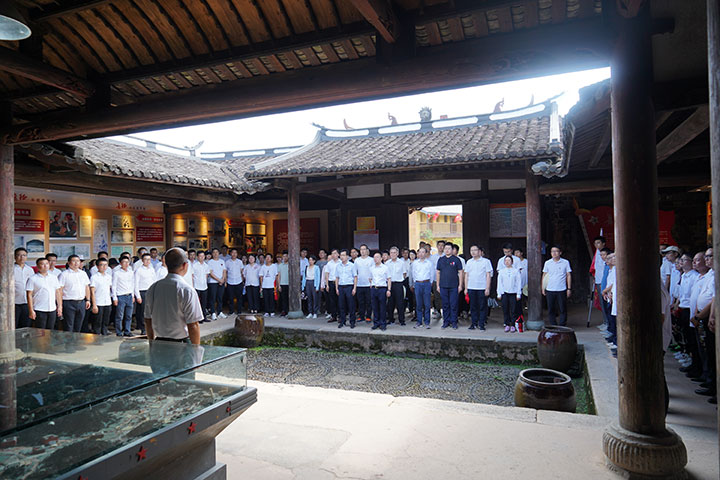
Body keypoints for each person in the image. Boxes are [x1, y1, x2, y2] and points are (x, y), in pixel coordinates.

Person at [144, 248, 203, 344]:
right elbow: (193, 325)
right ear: (185, 265)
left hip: (159, 342)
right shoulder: (187, 290)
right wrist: (196, 349)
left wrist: (151, 342)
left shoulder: (153, 288)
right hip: (181, 343)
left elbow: (147, 320)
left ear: (166, 264)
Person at [26, 257, 63, 330]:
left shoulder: (54, 277)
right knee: (40, 331)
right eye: (42, 264)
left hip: (52, 308)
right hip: (39, 309)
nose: (45, 266)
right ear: (37, 266)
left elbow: (58, 292)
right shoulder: (32, 278)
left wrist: (60, 306)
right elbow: (29, 295)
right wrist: (31, 310)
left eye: (47, 263)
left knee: (51, 329)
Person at [542, 246, 572, 326]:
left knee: (562, 308)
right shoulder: (547, 263)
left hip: (561, 289)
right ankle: (553, 325)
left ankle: (562, 325)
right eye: (552, 251)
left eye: (556, 251)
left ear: (560, 253)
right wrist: (543, 287)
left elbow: (568, 275)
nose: (554, 253)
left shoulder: (565, 262)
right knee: (551, 308)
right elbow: (544, 275)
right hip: (550, 288)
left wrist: (569, 288)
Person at [59, 254, 91, 332]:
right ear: (69, 263)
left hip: (81, 302)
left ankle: (77, 339)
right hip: (68, 303)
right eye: (74, 261)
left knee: (79, 326)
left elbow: (87, 287)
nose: (76, 263)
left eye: (78, 261)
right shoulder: (64, 274)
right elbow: (60, 290)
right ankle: (69, 340)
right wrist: (60, 305)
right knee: (69, 326)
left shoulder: (83, 273)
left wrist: (88, 300)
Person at [465, 245, 493, 331]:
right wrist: (466, 288)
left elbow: (488, 275)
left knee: (482, 306)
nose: (473, 252)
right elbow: (466, 275)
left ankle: (481, 324)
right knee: (473, 306)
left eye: (475, 250)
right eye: (471, 250)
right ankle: (474, 323)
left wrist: (487, 288)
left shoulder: (486, 261)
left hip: (482, 287)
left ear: (479, 251)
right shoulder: (469, 262)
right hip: (471, 287)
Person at [436, 243, 463, 329]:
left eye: (449, 248)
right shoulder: (441, 260)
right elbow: (438, 273)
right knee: (445, 305)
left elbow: (461, 273)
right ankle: (446, 322)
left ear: (452, 250)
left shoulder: (456, 260)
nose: (447, 250)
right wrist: (438, 285)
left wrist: (460, 285)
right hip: (443, 286)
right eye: (446, 248)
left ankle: (454, 322)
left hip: (454, 286)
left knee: (453, 304)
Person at [497, 255, 522, 332]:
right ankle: (507, 323)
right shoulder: (501, 271)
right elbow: (499, 283)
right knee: (505, 309)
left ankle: (513, 324)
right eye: (506, 260)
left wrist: (518, 293)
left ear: (512, 262)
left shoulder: (516, 271)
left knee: (513, 309)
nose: (507, 262)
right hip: (504, 292)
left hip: (513, 293)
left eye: (509, 260)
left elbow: (518, 283)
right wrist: (499, 293)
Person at [134, 253, 157, 335]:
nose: (147, 261)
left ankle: (151, 327)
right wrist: (138, 296)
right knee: (143, 311)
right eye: (146, 259)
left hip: (151, 291)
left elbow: (154, 281)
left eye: (149, 259)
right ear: (142, 260)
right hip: (142, 292)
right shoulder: (139, 270)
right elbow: (136, 284)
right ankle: (143, 328)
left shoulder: (152, 269)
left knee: (151, 311)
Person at [112, 256, 135, 336]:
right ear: (120, 263)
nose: (126, 264)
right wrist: (114, 297)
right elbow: (114, 286)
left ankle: (127, 331)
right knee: (119, 316)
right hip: (120, 296)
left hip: (129, 295)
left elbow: (132, 284)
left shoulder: (131, 272)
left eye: (127, 262)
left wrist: (133, 295)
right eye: (124, 262)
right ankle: (119, 331)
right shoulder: (117, 273)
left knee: (129, 315)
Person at [411, 246, 433, 329]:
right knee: (418, 304)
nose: (421, 254)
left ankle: (427, 322)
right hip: (418, 284)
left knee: (427, 304)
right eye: (419, 252)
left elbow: (432, 274)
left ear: (426, 253)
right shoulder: (415, 263)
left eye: (423, 252)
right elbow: (413, 273)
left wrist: (430, 283)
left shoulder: (429, 263)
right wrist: (415, 283)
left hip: (426, 283)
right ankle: (419, 322)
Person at [335, 249, 358, 329]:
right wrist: (336, 288)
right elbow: (337, 278)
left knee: (351, 305)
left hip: (349, 286)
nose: (342, 257)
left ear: (347, 256)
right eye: (341, 255)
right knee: (341, 305)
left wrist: (354, 288)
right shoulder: (338, 266)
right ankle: (342, 321)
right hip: (341, 287)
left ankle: (352, 322)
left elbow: (355, 277)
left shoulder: (352, 265)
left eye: (344, 255)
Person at [90, 258, 113, 335]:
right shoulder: (94, 277)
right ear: (97, 266)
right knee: (97, 322)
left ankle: (104, 335)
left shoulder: (108, 276)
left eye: (106, 265)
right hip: (98, 302)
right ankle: (97, 336)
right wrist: (94, 305)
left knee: (106, 321)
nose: (104, 267)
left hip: (107, 302)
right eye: (102, 265)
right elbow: (92, 292)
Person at [369, 251, 392, 331]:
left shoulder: (385, 268)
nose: (376, 259)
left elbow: (389, 279)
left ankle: (383, 323)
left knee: (382, 307)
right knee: (374, 307)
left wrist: (389, 289)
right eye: (374, 257)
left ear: (381, 258)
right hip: (374, 289)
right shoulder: (371, 268)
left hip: (382, 288)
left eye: (377, 257)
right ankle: (376, 323)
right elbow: (370, 278)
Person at [13, 248, 35, 328]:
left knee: (26, 326)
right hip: (14, 302)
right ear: (14, 257)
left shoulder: (30, 270)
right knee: (14, 325)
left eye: (24, 255)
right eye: (19, 255)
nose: (21, 257)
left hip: (27, 302)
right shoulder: (10, 269)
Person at [386, 246, 407, 325]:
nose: (393, 254)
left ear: (397, 254)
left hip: (398, 284)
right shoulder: (387, 263)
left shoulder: (401, 262)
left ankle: (402, 320)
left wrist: (400, 279)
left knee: (400, 303)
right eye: (391, 253)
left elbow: (404, 273)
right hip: (390, 284)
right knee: (390, 303)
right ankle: (391, 319)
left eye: (394, 253)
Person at [354, 244, 374, 323]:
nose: (362, 251)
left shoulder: (371, 260)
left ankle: (368, 316)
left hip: (368, 284)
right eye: (361, 249)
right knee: (360, 301)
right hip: (359, 284)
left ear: (367, 250)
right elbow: (355, 272)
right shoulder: (357, 260)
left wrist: (372, 282)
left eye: (364, 249)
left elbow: (373, 272)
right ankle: (361, 316)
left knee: (369, 301)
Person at [602, 253, 618, 349]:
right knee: (612, 319)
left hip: (613, 297)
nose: (609, 260)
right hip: (611, 296)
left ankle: (616, 341)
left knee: (615, 320)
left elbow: (613, 284)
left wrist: (605, 291)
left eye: (612, 257)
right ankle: (614, 339)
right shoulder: (611, 270)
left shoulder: (617, 270)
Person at [206, 248, 227, 320]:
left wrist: (223, 280)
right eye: (214, 252)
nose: (215, 254)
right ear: (212, 254)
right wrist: (219, 280)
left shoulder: (222, 261)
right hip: (213, 282)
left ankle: (220, 312)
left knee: (220, 298)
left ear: (219, 253)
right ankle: (213, 313)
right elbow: (211, 273)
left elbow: (224, 271)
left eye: (217, 252)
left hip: (221, 282)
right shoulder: (210, 262)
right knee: (212, 298)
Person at [192, 250, 210, 322]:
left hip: (204, 286)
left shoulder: (206, 265)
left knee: (204, 303)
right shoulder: (194, 265)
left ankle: (204, 317)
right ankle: (198, 318)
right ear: (197, 257)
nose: (202, 257)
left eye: (203, 256)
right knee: (197, 304)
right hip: (197, 286)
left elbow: (206, 275)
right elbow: (192, 276)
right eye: (200, 256)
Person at [324, 249, 340, 323]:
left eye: (335, 253)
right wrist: (327, 285)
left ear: (338, 254)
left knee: (339, 300)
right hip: (331, 282)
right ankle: (333, 316)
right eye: (332, 253)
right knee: (332, 300)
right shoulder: (329, 263)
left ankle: (340, 316)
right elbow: (327, 274)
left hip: (339, 283)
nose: (333, 255)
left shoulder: (341, 262)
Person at [226, 248, 244, 315]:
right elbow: (226, 272)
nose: (234, 254)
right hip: (230, 281)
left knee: (239, 297)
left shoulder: (240, 262)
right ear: (230, 254)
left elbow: (242, 272)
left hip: (238, 281)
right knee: (230, 298)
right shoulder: (227, 262)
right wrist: (225, 281)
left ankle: (239, 311)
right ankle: (231, 311)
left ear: (237, 254)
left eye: (235, 253)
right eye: (232, 253)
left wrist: (242, 281)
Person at [277, 251, 289, 316]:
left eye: (286, 256)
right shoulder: (280, 265)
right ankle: (284, 311)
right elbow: (279, 275)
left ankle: (289, 310)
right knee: (283, 298)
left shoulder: (290, 265)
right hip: (282, 283)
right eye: (283, 256)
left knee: (289, 298)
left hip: (289, 284)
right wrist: (278, 285)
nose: (285, 258)